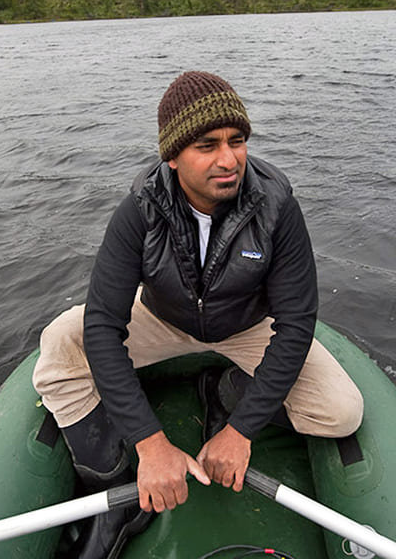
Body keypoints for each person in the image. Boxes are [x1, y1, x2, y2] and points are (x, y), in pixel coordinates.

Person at [32, 71, 363, 559]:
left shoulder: (277, 207)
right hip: (162, 319)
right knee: (62, 343)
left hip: (246, 327)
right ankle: (114, 493)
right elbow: (104, 324)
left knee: (341, 412)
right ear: (172, 156)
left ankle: (224, 394)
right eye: (207, 145)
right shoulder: (139, 210)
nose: (228, 160)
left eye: (237, 140)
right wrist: (150, 443)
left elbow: (295, 323)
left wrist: (241, 429)